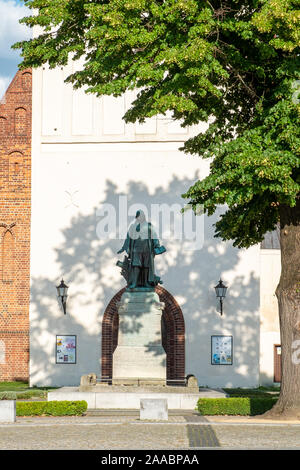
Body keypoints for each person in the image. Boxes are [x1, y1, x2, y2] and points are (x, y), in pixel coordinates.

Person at [117, 210, 166, 289]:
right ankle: (134, 283)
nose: (140, 218)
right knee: (136, 265)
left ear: (144, 217)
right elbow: (128, 238)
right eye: (138, 216)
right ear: (136, 217)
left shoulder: (149, 226)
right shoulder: (133, 226)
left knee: (146, 266)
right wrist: (124, 247)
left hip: (147, 249)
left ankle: (146, 283)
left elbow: (154, 236)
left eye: (141, 216)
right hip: (136, 249)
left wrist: (157, 246)